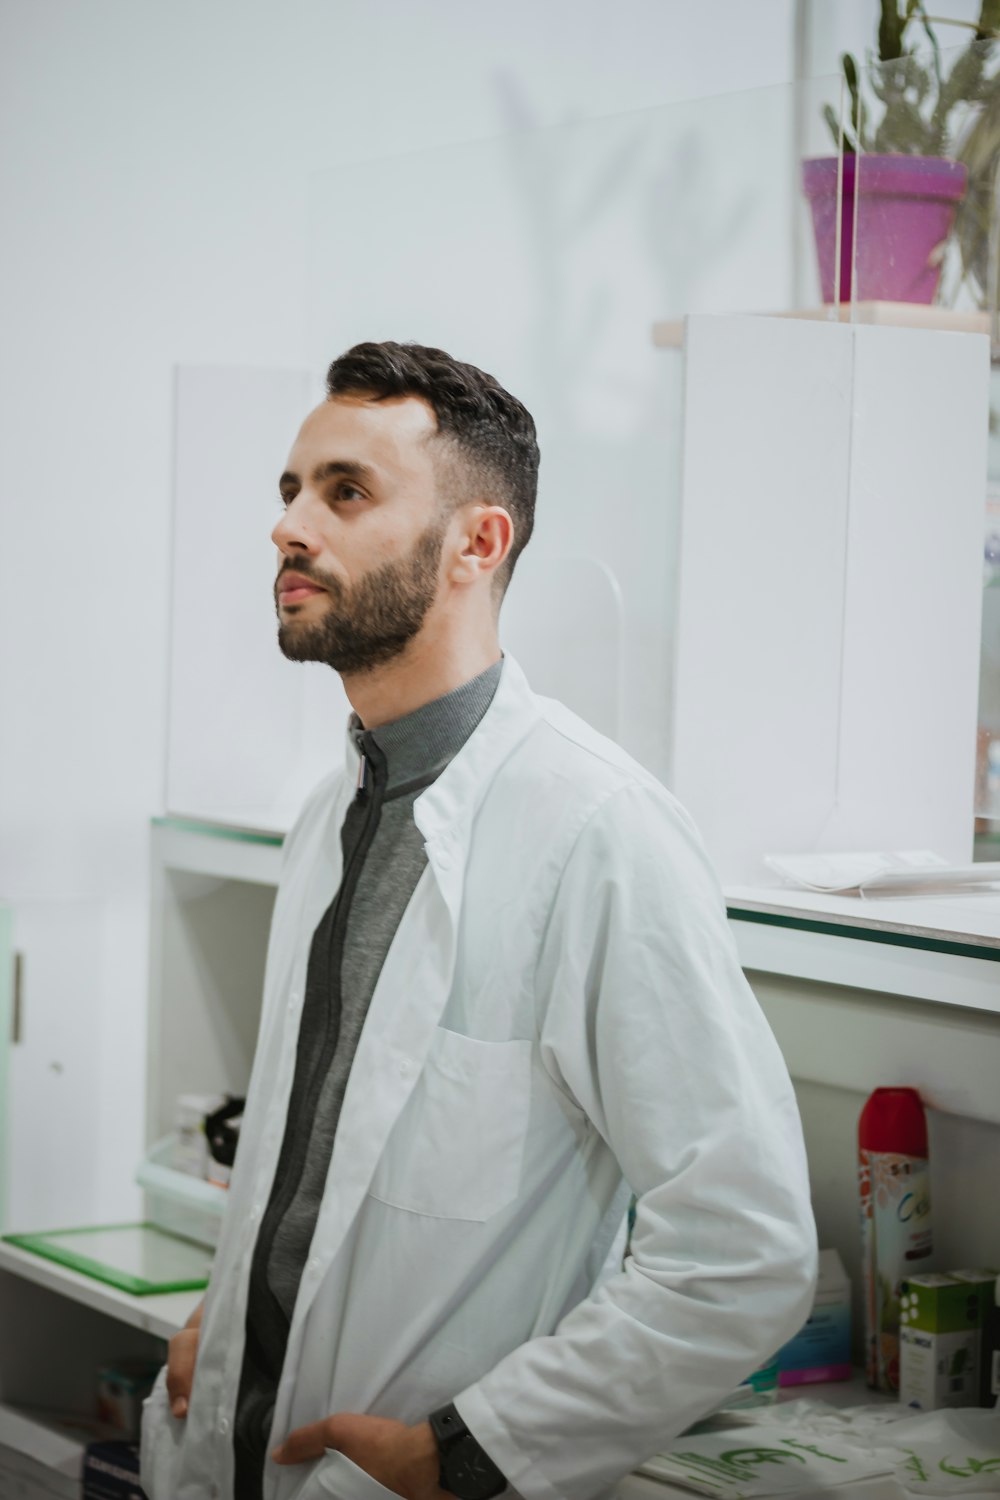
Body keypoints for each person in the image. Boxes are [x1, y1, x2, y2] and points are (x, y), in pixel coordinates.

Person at [140, 341, 817, 1500]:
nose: (290, 526)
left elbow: (742, 1254)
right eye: (290, 491)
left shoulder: (599, 832)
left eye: (344, 492)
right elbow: (315, 1159)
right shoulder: (331, 813)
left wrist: (466, 1452)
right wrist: (229, 1311)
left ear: (477, 542)